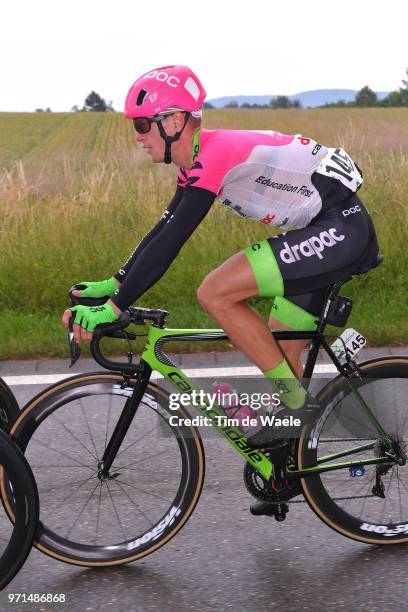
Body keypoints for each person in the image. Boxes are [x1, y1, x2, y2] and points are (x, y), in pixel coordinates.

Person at [63, 65, 379, 509]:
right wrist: (113, 284)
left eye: (141, 124)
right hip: (325, 228)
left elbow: (174, 240)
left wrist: (115, 308)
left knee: (216, 291)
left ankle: (296, 414)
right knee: (282, 351)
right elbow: (164, 228)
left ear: (173, 122)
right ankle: (286, 469)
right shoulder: (198, 158)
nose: (137, 136)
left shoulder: (213, 155)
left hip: (339, 229)